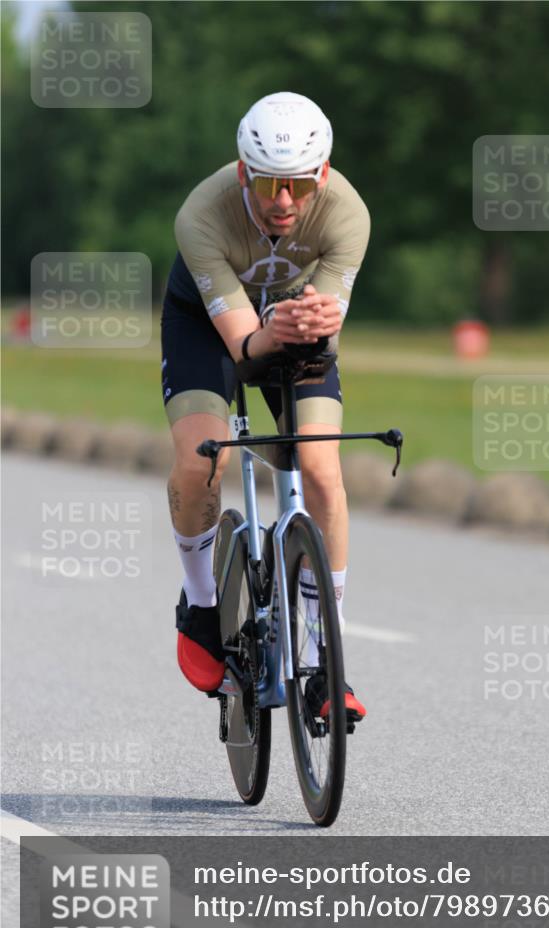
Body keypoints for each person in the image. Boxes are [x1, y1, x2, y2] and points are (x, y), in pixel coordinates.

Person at [161, 92, 370, 721]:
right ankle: (201, 605)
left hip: (294, 325)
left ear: (322, 175)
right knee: (202, 460)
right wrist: (272, 328)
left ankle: (325, 658)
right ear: (243, 172)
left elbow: (324, 330)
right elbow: (244, 347)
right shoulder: (202, 214)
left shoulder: (348, 214)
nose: (284, 200)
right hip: (209, 327)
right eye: (268, 183)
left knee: (322, 471)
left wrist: (314, 325)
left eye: (300, 185)